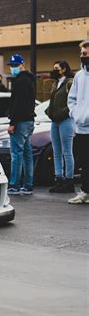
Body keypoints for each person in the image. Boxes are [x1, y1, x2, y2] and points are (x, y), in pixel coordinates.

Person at [6, 53, 36, 195]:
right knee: (27, 154)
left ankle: (14, 184)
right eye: (11, 65)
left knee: (16, 154)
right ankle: (28, 184)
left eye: (15, 65)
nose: (13, 68)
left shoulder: (19, 81)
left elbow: (18, 104)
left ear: (22, 64)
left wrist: (12, 122)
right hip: (29, 120)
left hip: (20, 121)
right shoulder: (30, 80)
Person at [45, 60, 74, 193]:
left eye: (56, 68)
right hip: (54, 121)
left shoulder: (70, 82)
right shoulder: (56, 84)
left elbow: (73, 102)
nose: (54, 70)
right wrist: (50, 113)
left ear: (63, 69)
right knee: (57, 151)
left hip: (66, 120)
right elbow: (52, 101)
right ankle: (59, 178)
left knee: (67, 151)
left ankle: (69, 181)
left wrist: (60, 114)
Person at [67, 40, 89, 204]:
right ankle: (85, 192)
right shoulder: (79, 76)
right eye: (81, 53)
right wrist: (75, 114)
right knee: (84, 163)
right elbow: (71, 99)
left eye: (85, 53)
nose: (82, 56)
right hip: (81, 128)